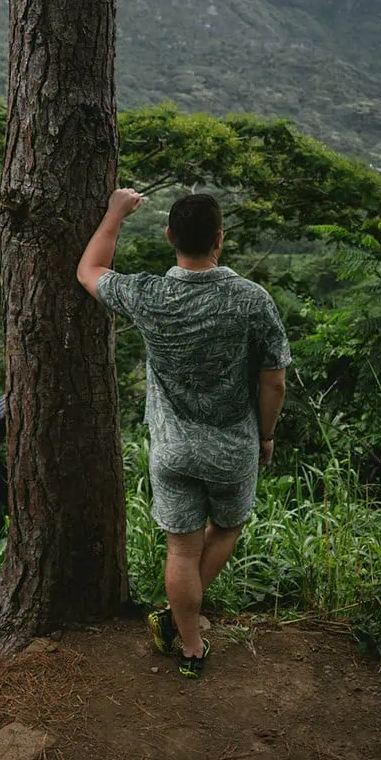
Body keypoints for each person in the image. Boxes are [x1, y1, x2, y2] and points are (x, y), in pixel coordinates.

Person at [77, 189, 289, 678]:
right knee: (228, 528)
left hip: (172, 448)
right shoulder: (251, 299)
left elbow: (88, 270)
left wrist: (113, 213)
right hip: (234, 445)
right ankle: (176, 621)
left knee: (181, 548)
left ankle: (190, 645)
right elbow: (273, 378)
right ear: (220, 238)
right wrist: (267, 435)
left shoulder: (150, 295)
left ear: (170, 235)